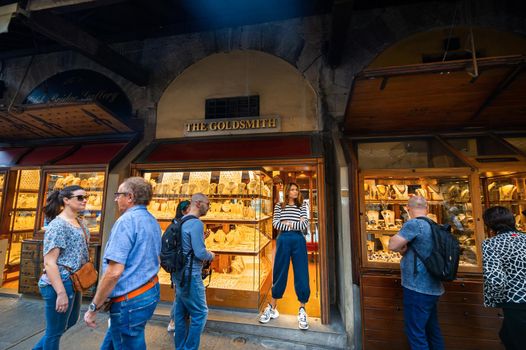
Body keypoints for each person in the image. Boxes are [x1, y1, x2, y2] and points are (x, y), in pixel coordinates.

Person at [83, 177, 161, 349]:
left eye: (118, 194)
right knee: (116, 338)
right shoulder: (152, 220)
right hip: (148, 291)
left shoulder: (126, 221)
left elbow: (113, 272)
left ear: (130, 197)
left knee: (128, 341)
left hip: (129, 300)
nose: (116, 198)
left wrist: (94, 306)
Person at [33, 185, 90, 350]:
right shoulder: (58, 225)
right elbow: (50, 262)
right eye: (80, 197)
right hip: (59, 281)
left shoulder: (80, 221)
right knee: (54, 332)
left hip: (74, 279)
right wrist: (61, 293)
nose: (84, 200)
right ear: (66, 200)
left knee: (70, 322)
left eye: (86, 196)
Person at [388, 195, 444, 350]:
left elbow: (392, 245)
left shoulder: (414, 224)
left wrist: (401, 247)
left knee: (415, 332)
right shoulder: (434, 224)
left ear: (408, 208)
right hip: (433, 286)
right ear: (427, 208)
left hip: (418, 285)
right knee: (432, 330)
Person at [259, 182, 310, 330]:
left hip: (298, 240)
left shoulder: (302, 206)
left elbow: (304, 225)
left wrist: (288, 223)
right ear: (287, 191)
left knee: (301, 272)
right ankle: (273, 307)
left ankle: (302, 309)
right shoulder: (279, 206)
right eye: (293, 189)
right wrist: (294, 223)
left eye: (297, 189)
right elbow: (276, 224)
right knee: (280, 272)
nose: (295, 192)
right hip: (283, 240)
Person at [173, 193, 215, 350]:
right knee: (200, 313)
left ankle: (180, 346)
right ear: (198, 203)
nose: (209, 207)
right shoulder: (197, 223)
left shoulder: (181, 220)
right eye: (207, 204)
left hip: (179, 275)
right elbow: (199, 253)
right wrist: (211, 255)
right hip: (191, 275)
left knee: (181, 314)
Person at [482, 206, 526, 350]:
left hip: (515, 301)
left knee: (515, 342)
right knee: (507, 336)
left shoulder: (491, 244)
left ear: (489, 224)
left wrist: (494, 299)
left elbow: (495, 280)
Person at [167, 200, 191, 332]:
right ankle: (173, 320)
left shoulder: (178, 224)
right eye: (189, 209)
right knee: (180, 294)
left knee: (181, 293)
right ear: (182, 211)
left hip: (179, 265)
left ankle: (179, 319)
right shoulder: (181, 226)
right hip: (179, 266)